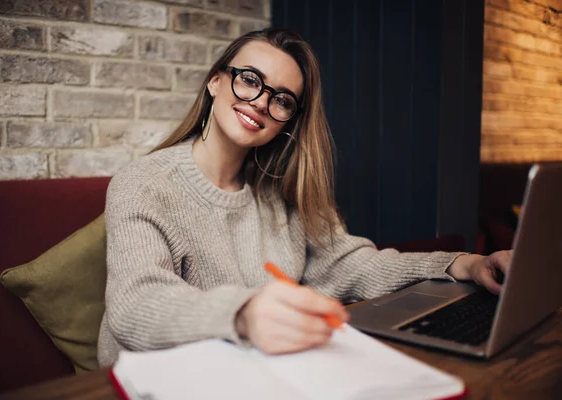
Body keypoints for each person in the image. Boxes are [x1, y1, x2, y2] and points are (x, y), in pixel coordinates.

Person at [97, 28, 510, 367]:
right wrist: (242, 314)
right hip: (158, 379)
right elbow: (134, 305)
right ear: (215, 81)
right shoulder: (145, 182)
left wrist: (464, 264)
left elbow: (352, 266)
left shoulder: (281, 191)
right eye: (249, 79)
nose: (260, 102)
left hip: (257, 369)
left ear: (287, 121)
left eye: (281, 99)